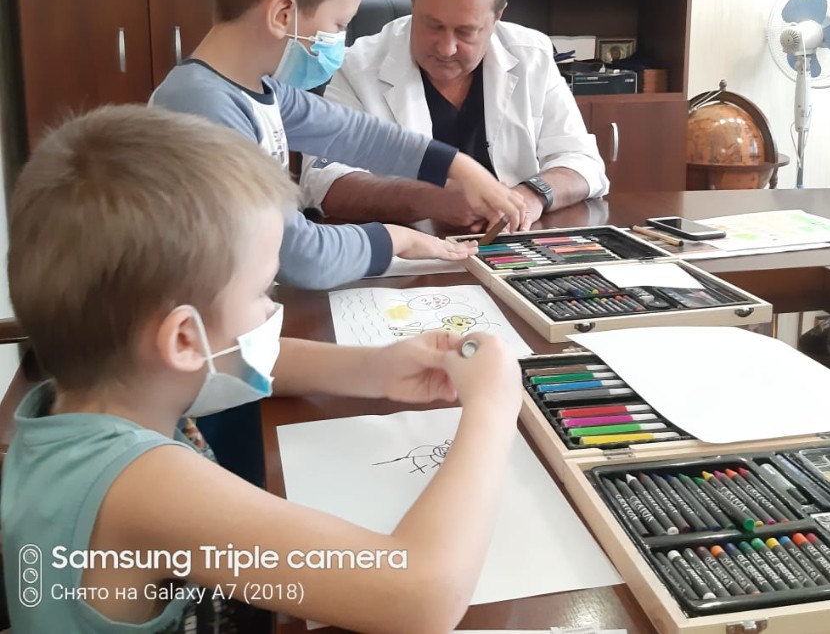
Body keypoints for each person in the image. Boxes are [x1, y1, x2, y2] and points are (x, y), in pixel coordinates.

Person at [2, 104, 523, 634]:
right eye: (261, 291)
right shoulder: (137, 486)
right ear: (183, 339)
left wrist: (378, 368)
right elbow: (421, 595)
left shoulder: (103, 391)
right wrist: (493, 406)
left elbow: (249, 361)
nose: (273, 307)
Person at [152, 0, 525, 291]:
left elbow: (354, 133)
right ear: (283, 14)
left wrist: (460, 167)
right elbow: (299, 254)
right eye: (339, 24)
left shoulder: (258, 90)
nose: (341, 40)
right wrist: (398, 239)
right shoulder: (204, 110)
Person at [300, 0, 608, 231]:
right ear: (413, 0)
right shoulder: (357, 66)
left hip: (510, 243)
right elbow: (323, 180)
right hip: (407, 251)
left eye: (465, 32)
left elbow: (583, 162)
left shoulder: (531, 55)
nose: (446, 48)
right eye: (433, 26)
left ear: (497, 17)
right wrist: (428, 199)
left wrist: (530, 196)